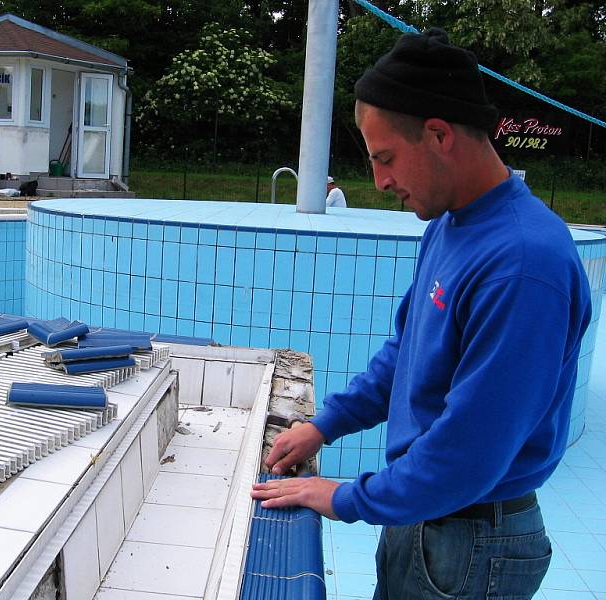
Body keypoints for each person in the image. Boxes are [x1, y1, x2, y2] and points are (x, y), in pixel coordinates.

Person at [251, 28, 592, 599]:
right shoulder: (450, 225)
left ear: (438, 134)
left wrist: (342, 497)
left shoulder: (524, 263)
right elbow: (405, 355)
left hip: (472, 544)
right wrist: (324, 424)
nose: (381, 183)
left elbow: (468, 453)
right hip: (428, 519)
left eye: (385, 159)